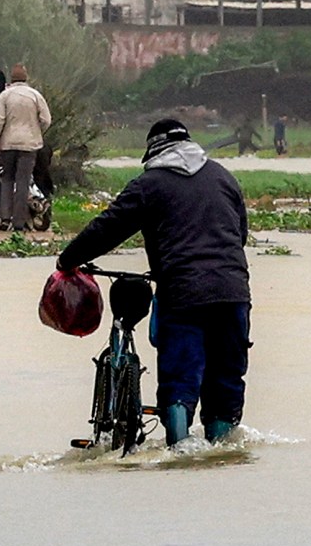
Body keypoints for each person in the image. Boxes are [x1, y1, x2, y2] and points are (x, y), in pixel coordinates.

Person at [53, 118, 252, 447]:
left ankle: (178, 448)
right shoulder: (224, 177)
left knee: (180, 375)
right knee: (227, 376)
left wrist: (68, 259)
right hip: (233, 293)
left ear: (154, 151)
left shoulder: (150, 184)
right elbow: (239, 234)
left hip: (183, 293)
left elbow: (109, 227)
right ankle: (223, 449)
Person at [0, 64, 52, 231]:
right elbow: (46, 119)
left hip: (8, 145)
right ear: (26, 77)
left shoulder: (5, 96)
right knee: (23, 181)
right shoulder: (35, 95)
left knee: (7, 179)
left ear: (12, 78)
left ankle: (5, 218)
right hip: (29, 145)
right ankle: (19, 222)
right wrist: (36, 131)